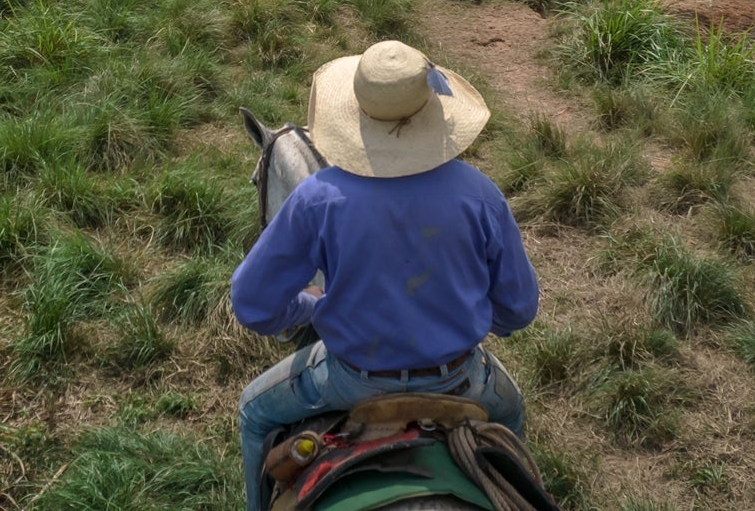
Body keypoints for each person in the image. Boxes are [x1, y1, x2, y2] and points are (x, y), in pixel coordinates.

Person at [231, 39, 541, 511]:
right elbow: (519, 309)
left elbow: (252, 304)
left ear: (357, 115)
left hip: (350, 379)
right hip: (461, 378)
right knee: (512, 415)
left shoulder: (319, 197)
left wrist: (309, 306)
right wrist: (468, 313)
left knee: (253, 411)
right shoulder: (480, 194)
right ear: (432, 112)